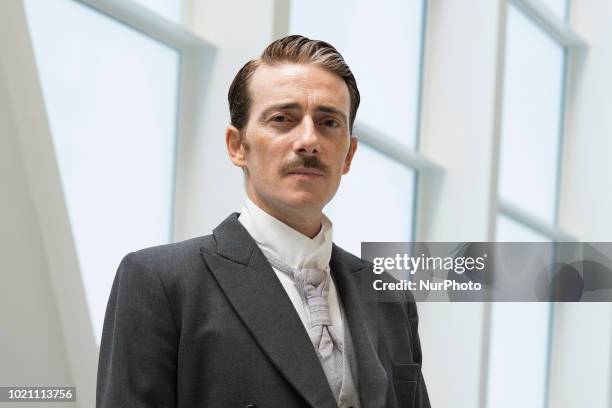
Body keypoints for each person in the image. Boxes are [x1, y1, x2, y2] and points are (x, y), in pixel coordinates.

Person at [96, 35, 430, 408]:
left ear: (348, 155)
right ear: (237, 146)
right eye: (282, 119)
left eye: (328, 122)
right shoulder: (160, 282)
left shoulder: (390, 298)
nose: (308, 141)